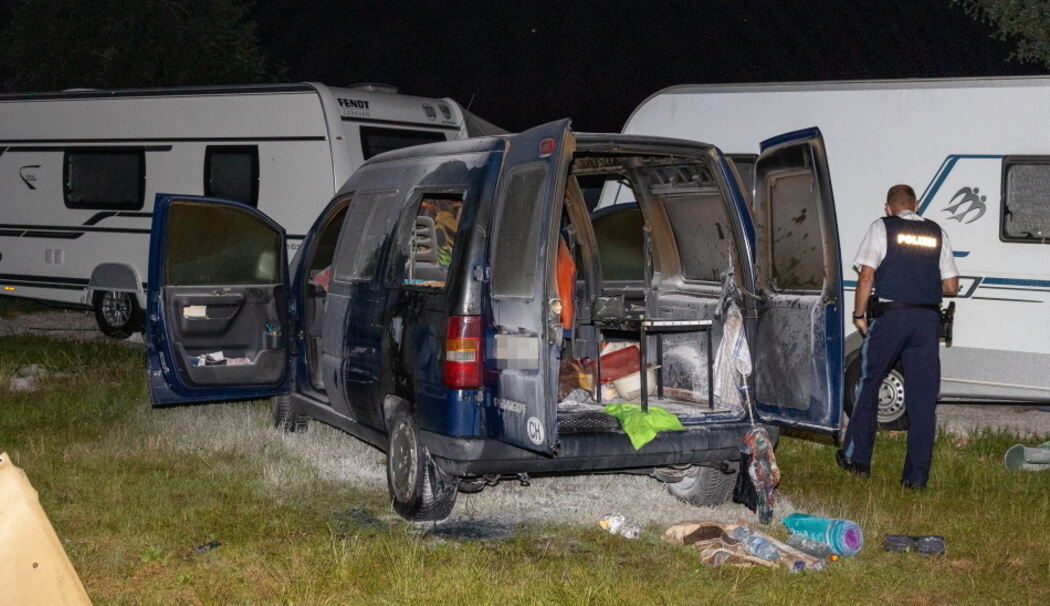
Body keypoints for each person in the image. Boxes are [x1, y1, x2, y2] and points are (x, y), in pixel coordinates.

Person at [836, 184, 959, 489]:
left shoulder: (882, 227)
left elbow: (866, 276)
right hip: (927, 322)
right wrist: (921, 282)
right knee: (922, 400)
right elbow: (952, 285)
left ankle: (857, 460)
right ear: (915, 204)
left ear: (888, 207)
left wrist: (859, 314)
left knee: (867, 386)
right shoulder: (936, 232)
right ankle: (915, 479)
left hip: (891, 318)